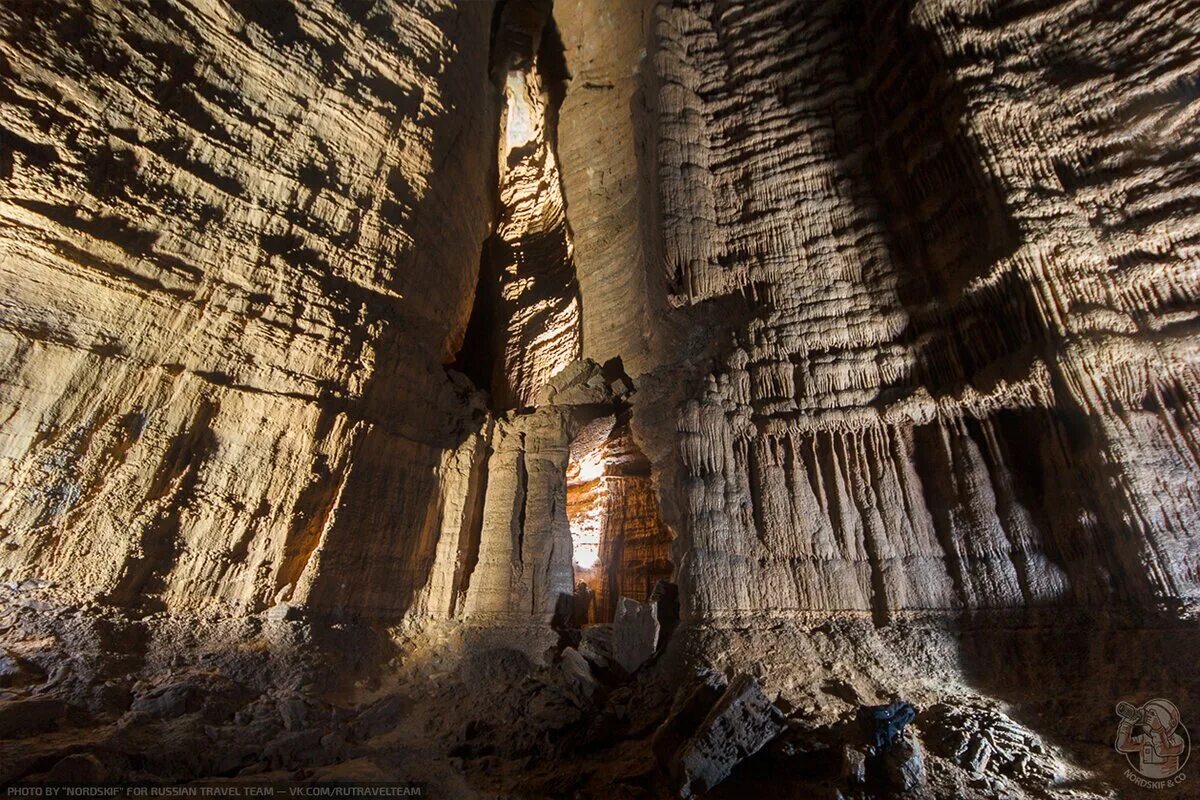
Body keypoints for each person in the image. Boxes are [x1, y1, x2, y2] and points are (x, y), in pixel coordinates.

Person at [1116, 699, 1187, 779]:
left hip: (1167, 785)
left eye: (1154, 715)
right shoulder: (1144, 738)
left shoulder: (1177, 741)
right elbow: (1122, 746)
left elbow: (1162, 751)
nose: (1149, 718)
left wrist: (1158, 729)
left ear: (1172, 722)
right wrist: (1127, 725)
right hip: (1145, 784)